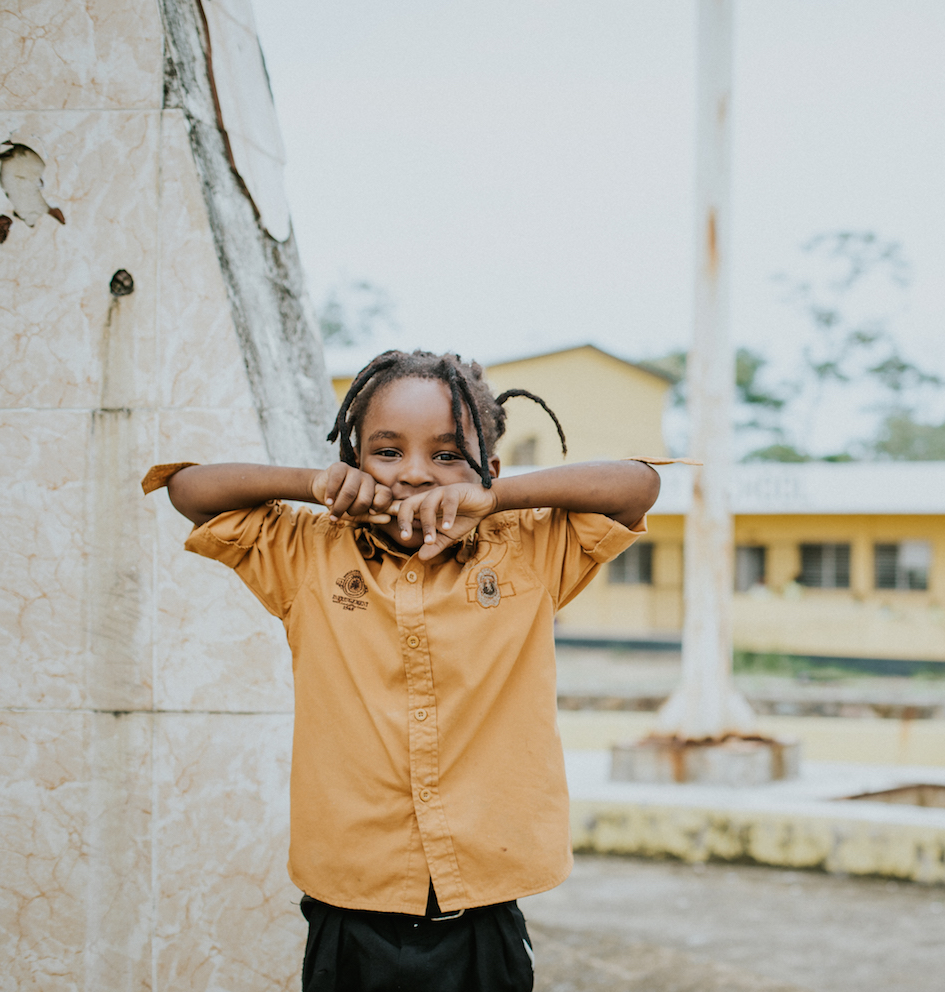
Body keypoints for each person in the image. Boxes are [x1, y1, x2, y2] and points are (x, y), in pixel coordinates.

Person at [144, 350, 661, 992]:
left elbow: (637, 486)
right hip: (350, 904)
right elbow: (189, 491)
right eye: (386, 452)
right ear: (355, 462)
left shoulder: (529, 550)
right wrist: (316, 485)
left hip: (482, 908)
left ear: (488, 470)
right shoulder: (306, 553)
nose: (415, 474)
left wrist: (496, 500)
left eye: (447, 455)